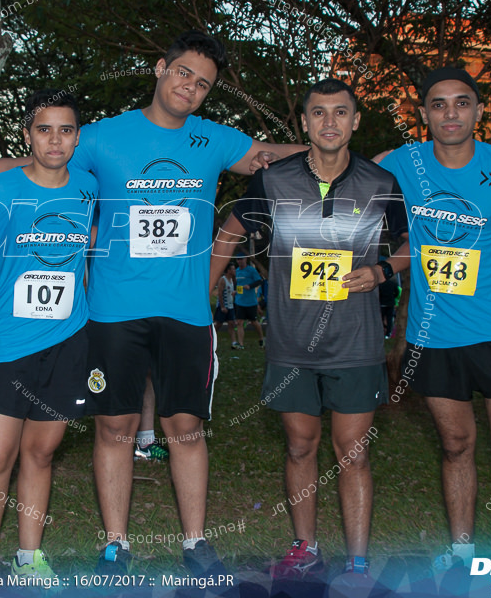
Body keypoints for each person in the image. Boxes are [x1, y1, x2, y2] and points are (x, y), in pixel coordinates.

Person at [63, 31, 303, 578]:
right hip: (113, 310)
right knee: (115, 427)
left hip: (186, 312)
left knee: (186, 430)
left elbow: (270, 158)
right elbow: (45, 167)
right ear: (159, 68)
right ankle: (115, 545)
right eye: (182, 74)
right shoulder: (101, 138)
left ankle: (196, 544)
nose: (190, 88)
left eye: (203, 84)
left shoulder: (213, 139)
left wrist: (330, 147)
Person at [210, 78, 409, 582]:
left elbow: (411, 245)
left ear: (355, 120)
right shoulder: (274, 180)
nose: (329, 122)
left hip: (356, 340)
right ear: (303, 122)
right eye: (318, 113)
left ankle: (358, 560)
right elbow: (231, 231)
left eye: (340, 113)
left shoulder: (380, 182)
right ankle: (306, 546)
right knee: (300, 445)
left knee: (352, 450)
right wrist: (201, 295)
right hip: (292, 340)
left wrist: (382, 271)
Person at [377, 67, 491, 566]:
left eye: (462, 103)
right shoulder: (402, 163)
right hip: (432, 336)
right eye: (438, 104)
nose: (450, 113)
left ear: (480, 111)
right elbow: (339, 167)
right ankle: (462, 555)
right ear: (423, 115)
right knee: (456, 445)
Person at [0, 89, 96, 583]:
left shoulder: (90, 188)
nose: (55, 139)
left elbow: (89, 257)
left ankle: (30, 558)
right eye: (44, 129)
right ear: (28, 135)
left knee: (41, 453)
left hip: (69, 340)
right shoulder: (0, 190)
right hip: (5, 344)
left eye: (66, 129)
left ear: (77, 137)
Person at [233, 254, 264, 349]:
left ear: (245, 259)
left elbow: (259, 281)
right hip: (239, 301)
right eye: (238, 259)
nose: (239, 261)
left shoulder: (251, 270)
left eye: (241, 259)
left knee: (254, 321)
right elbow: (236, 284)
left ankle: (261, 339)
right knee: (239, 322)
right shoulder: (236, 271)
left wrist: (250, 286)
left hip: (250, 301)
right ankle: (241, 344)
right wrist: (235, 291)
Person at [214, 262, 238, 348]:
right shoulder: (223, 280)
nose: (234, 270)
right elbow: (220, 293)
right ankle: (211, 338)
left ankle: (234, 342)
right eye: (233, 269)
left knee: (231, 323)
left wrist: (233, 293)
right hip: (223, 305)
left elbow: (230, 291)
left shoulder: (233, 280)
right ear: (228, 270)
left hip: (230, 305)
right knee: (219, 324)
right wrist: (222, 306)